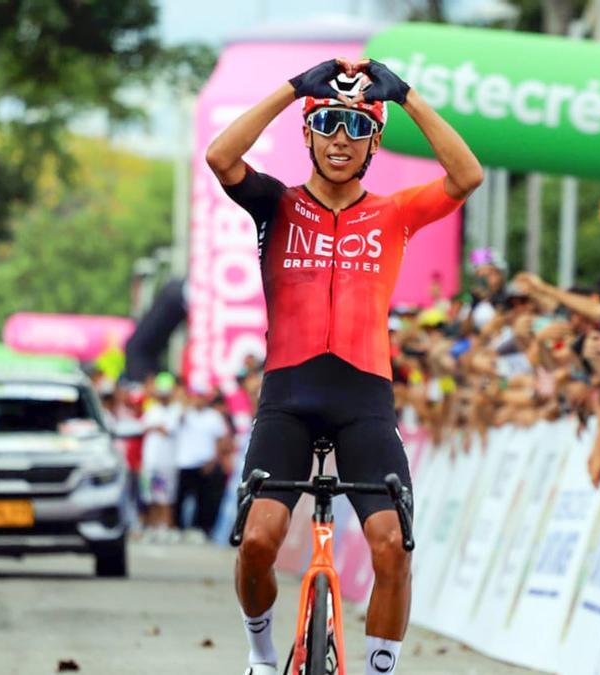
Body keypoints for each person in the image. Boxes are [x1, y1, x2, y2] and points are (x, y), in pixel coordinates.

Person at [206, 57, 481, 675]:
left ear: (373, 143)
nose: (339, 139)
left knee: (393, 548)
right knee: (256, 543)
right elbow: (221, 157)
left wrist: (406, 96)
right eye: (327, 123)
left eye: (356, 128)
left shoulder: (395, 213)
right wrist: (292, 88)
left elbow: (466, 176)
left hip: (365, 403)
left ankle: (381, 668)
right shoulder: (276, 205)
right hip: (288, 399)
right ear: (308, 133)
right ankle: (261, 654)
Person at [173, 387, 230, 540]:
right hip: (185, 463)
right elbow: (175, 423)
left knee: (203, 499)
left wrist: (213, 460)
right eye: (196, 397)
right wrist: (185, 404)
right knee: (180, 498)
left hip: (205, 464)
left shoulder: (214, 416)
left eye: (201, 397)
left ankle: (199, 530)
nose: (199, 400)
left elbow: (221, 440)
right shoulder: (185, 413)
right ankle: (178, 529)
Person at [140, 373, 181, 542]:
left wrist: (155, 427)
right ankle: (153, 526)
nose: (163, 397)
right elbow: (145, 428)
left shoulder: (176, 410)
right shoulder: (152, 409)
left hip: (167, 461)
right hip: (151, 460)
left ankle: (165, 526)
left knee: (166, 496)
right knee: (151, 495)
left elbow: (167, 429)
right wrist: (156, 427)